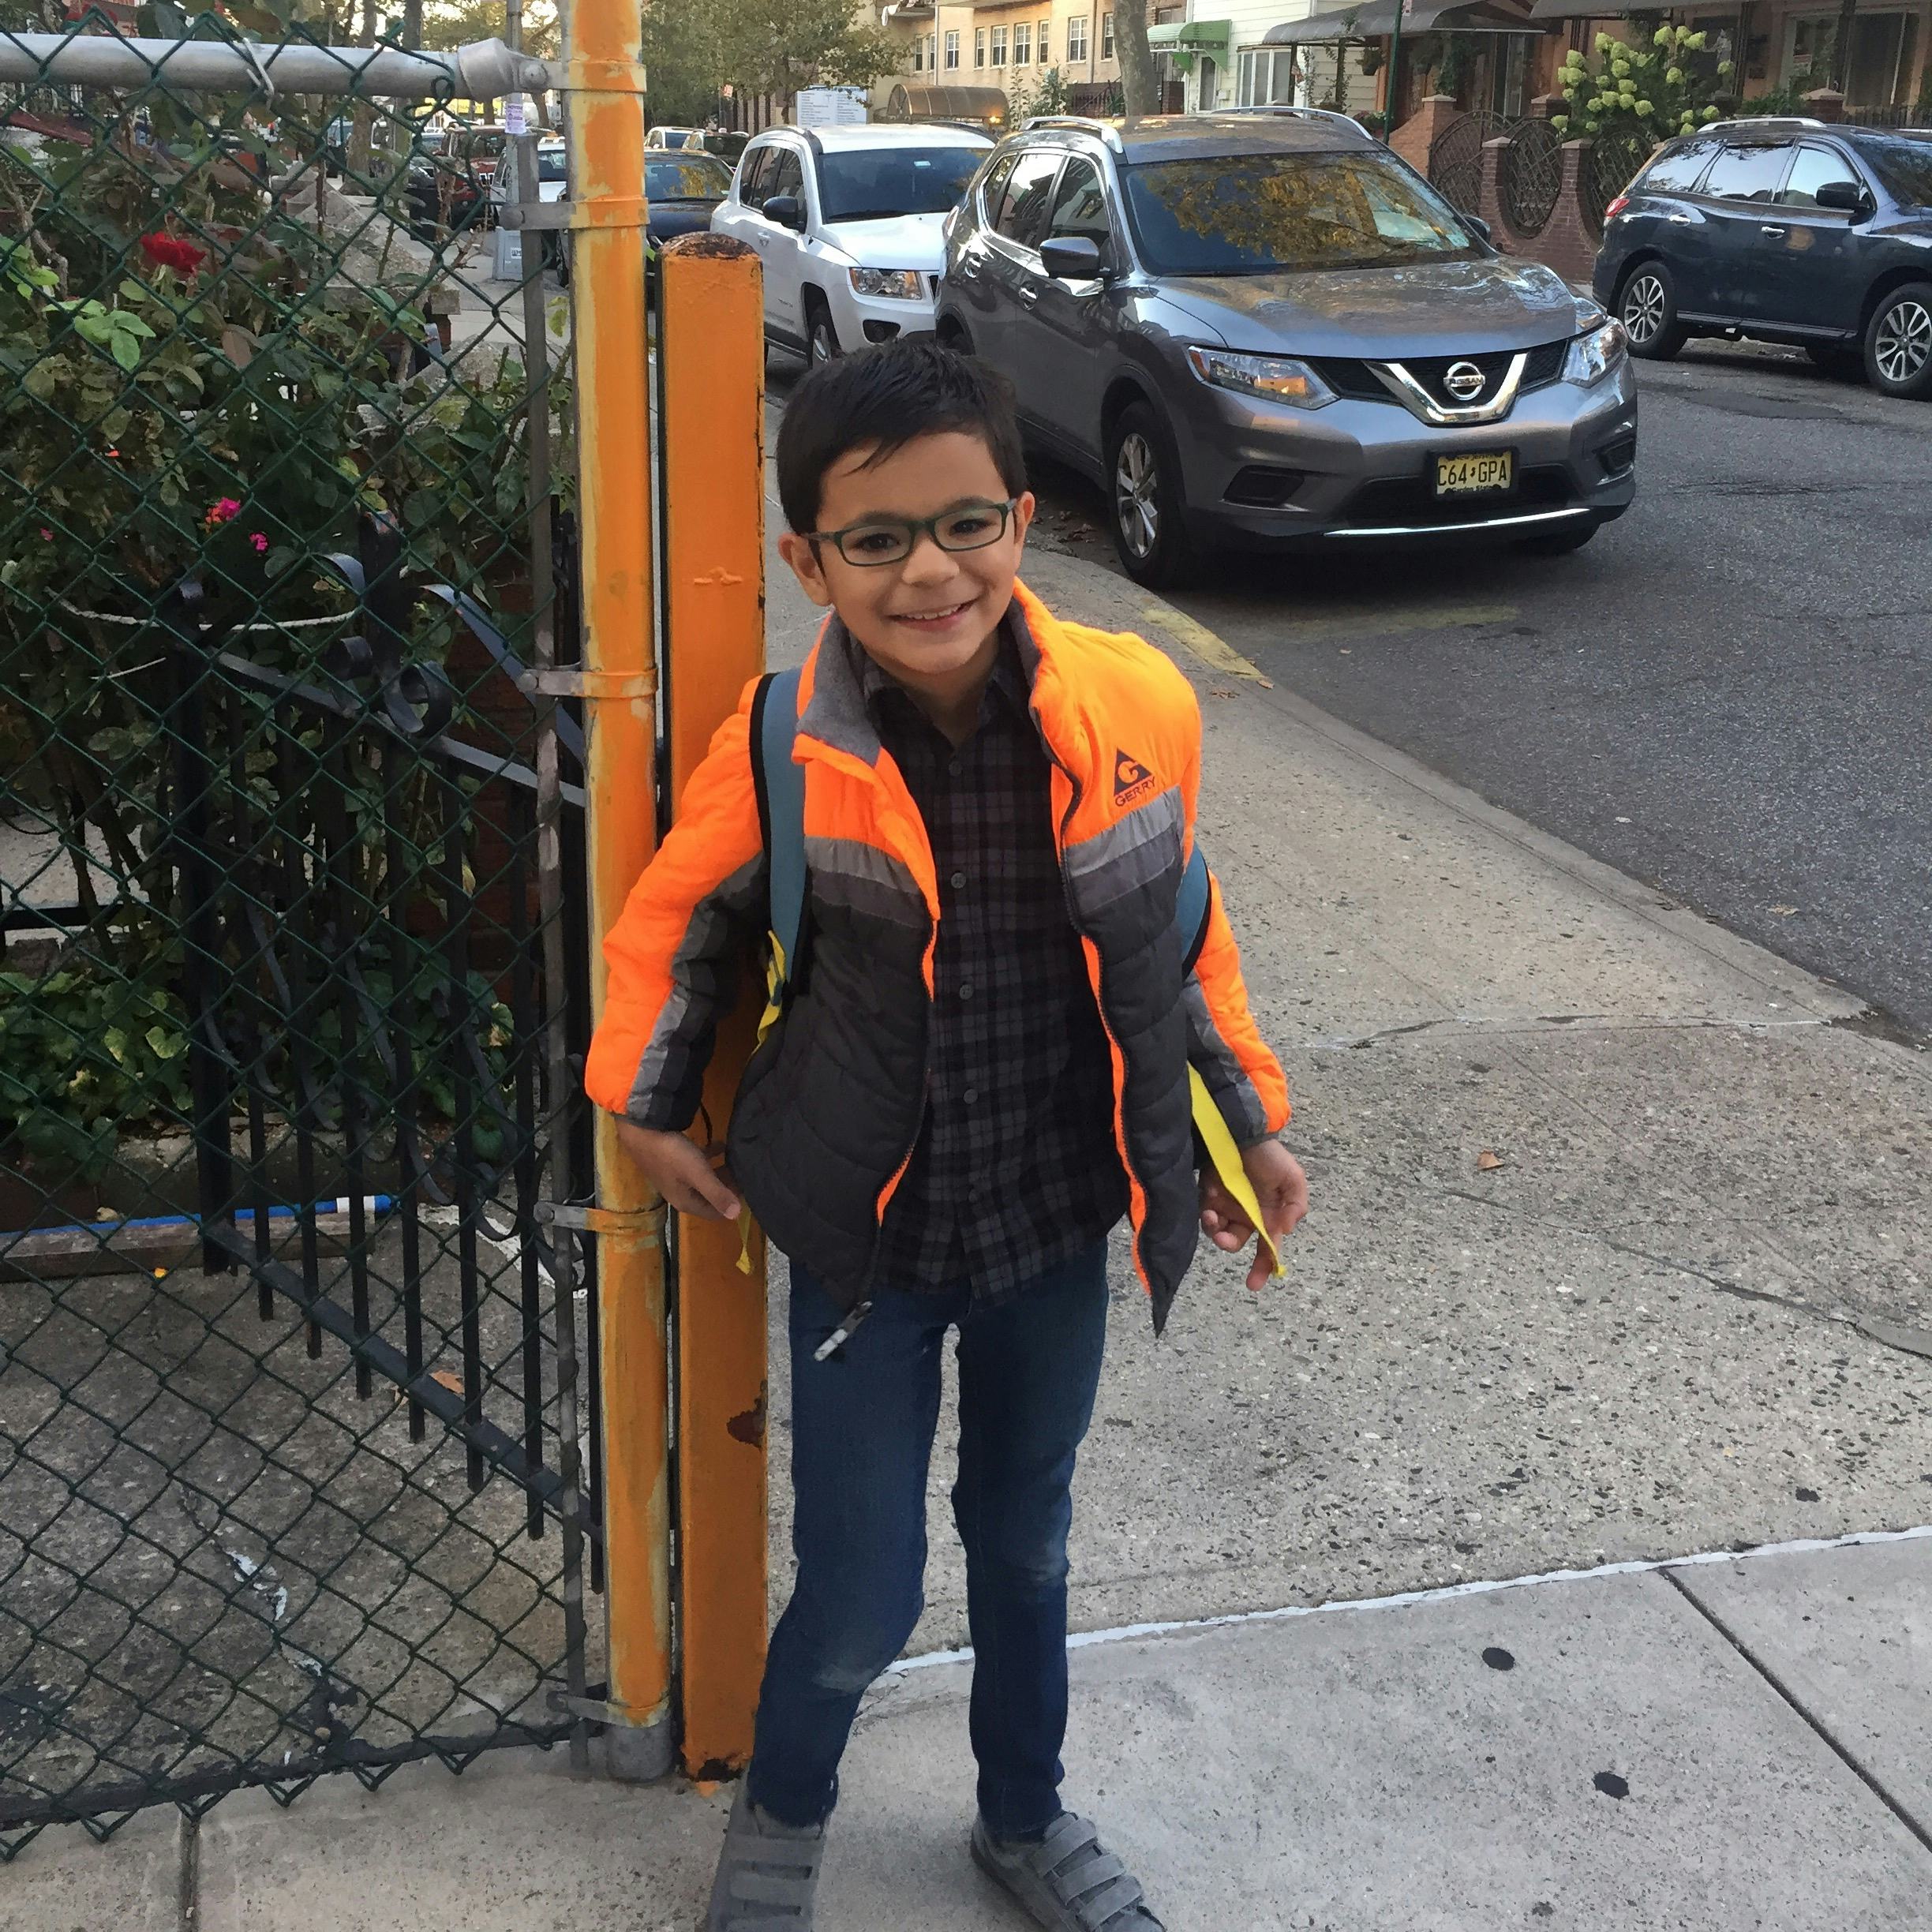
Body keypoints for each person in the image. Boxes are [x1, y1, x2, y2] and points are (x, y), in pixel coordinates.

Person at [584, 339, 1307, 1931]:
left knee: (1026, 1541)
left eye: (967, 524)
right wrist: (643, 1106)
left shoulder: (1133, 703)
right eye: (877, 539)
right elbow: (677, 931)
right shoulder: (783, 743)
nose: (931, 572)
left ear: (1023, 521)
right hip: (874, 1250)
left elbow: (1175, 933)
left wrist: (1242, 1124)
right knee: (860, 1592)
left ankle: (1024, 1821)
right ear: (809, 563)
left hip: (1054, 1221)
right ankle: (781, 1827)